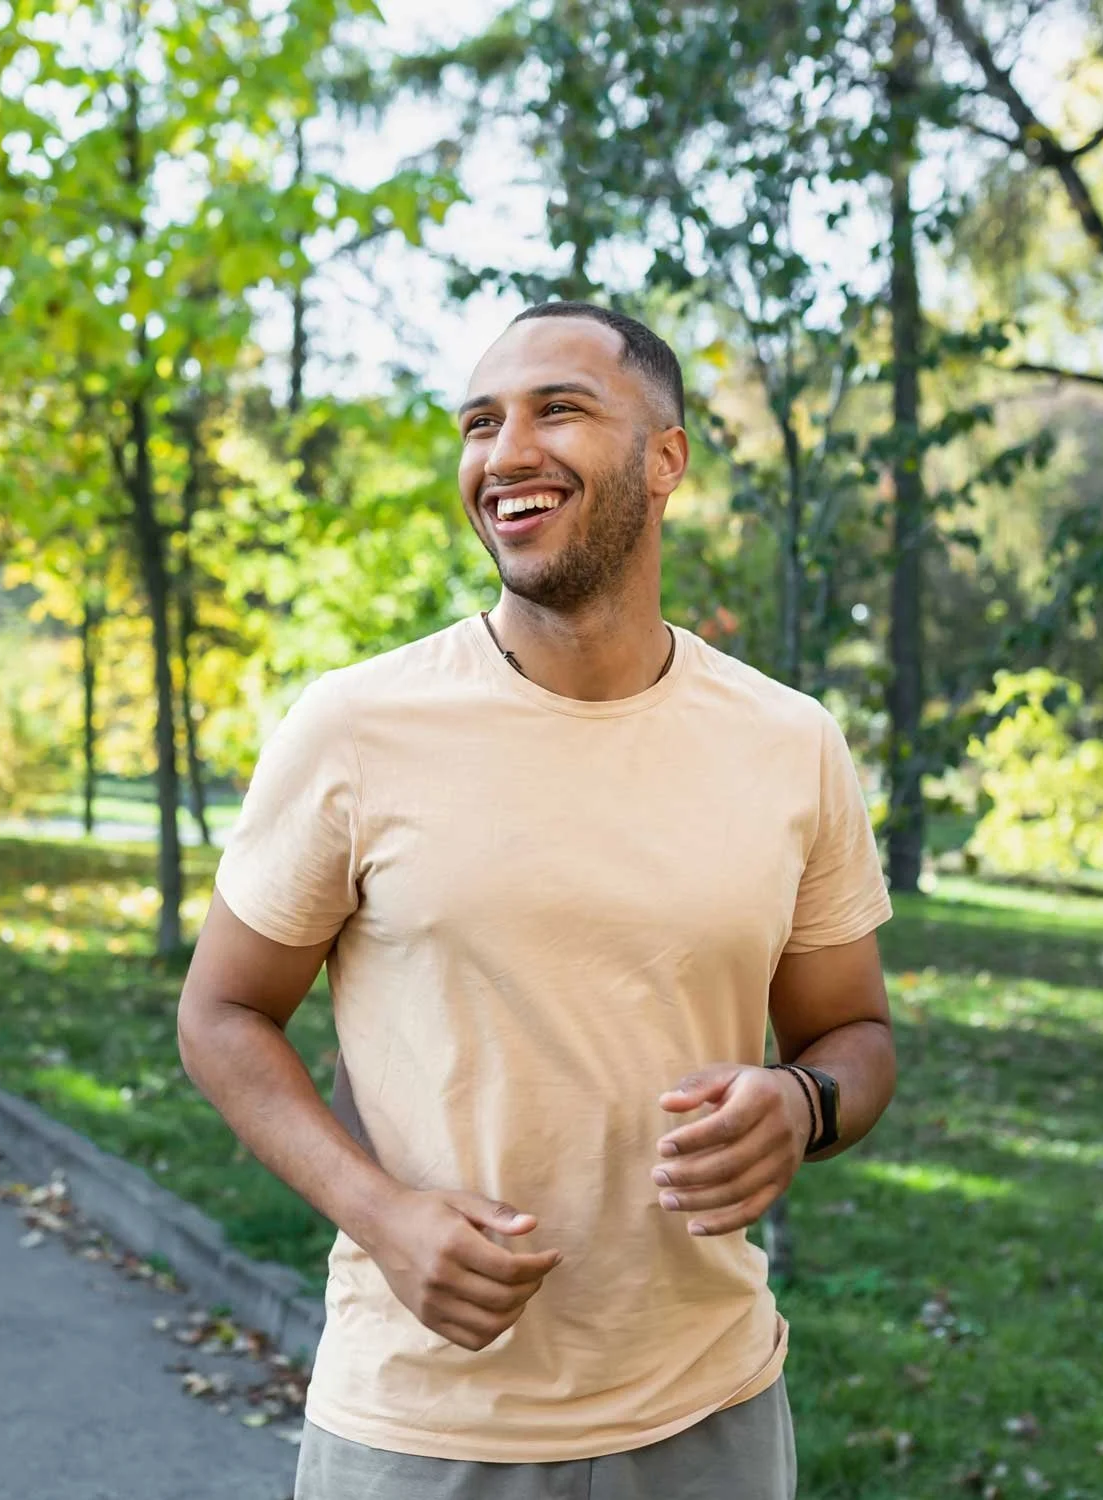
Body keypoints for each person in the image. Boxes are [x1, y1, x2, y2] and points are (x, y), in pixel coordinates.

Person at [176, 302, 896, 1500]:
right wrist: (383, 1216)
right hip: (420, 1423)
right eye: (478, 423)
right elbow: (221, 1016)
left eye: (557, 409)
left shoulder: (791, 742)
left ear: (665, 458)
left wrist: (805, 1102)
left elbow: (855, 1035)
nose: (503, 452)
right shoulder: (356, 726)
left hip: (710, 1410)